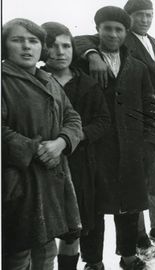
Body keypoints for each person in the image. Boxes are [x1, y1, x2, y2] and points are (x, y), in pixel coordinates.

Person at [74, 0, 155, 253]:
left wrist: (150, 144)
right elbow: (71, 42)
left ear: (126, 33)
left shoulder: (136, 66)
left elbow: (149, 106)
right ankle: (94, 261)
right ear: (97, 29)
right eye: (107, 28)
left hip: (132, 146)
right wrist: (91, 54)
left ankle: (129, 256)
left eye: (119, 30)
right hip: (97, 147)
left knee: (130, 205)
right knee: (94, 208)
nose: (113, 34)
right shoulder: (83, 63)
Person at [2, 18, 82, 270]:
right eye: (17, 40)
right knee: (17, 253)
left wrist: (62, 142)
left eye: (33, 41)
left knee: (47, 249)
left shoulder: (49, 80)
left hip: (52, 179)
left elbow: (72, 116)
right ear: (4, 45)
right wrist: (35, 149)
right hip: (18, 181)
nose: (27, 47)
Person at [40, 22, 111, 270]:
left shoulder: (88, 84)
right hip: (44, 162)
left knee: (83, 222)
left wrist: (77, 137)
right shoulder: (35, 80)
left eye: (66, 46)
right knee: (46, 228)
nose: (60, 52)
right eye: (53, 46)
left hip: (82, 163)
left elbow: (103, 120)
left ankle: (92, 263)